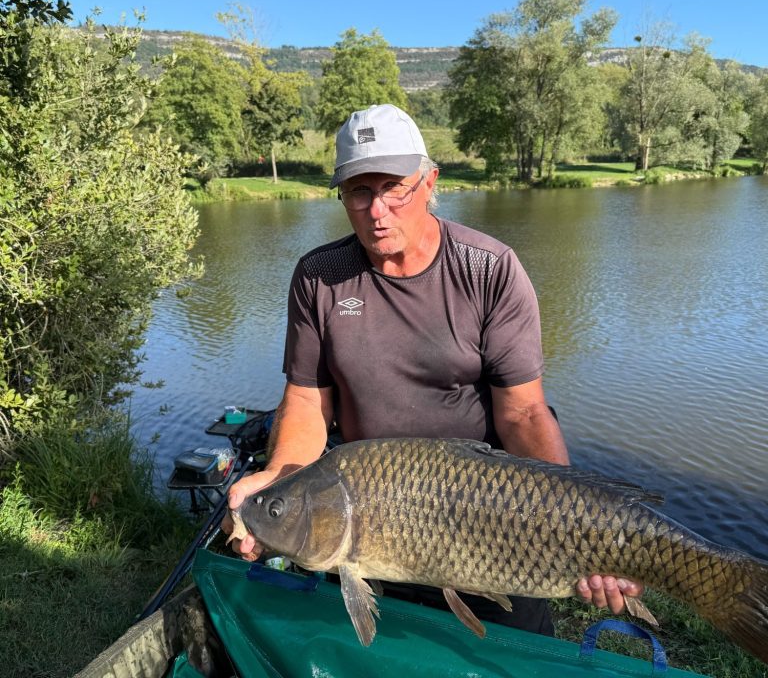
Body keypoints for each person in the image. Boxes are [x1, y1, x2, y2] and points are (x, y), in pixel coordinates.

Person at [225, 103, 642, 634]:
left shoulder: (489, 269)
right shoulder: (319, 276)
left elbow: (523, 413)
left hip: (486, 515)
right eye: (359, 191)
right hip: (366, 517)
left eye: (394, 188)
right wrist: (282, 481)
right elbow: (308, 401)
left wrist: (577, 522)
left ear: (429, 183)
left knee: (504, 656)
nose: (377, 210)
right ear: (342, 196)